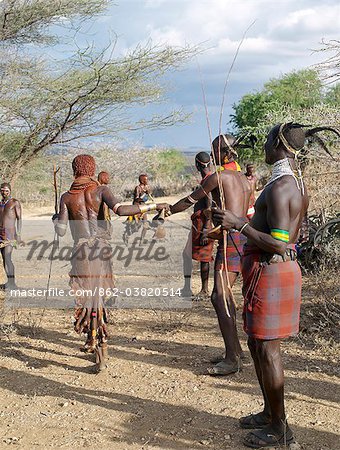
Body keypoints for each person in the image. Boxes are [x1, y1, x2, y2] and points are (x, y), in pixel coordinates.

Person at [212, 122, 319, 447]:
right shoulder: (290, 181)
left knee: (269, 350)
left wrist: (238, 225)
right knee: (258, 346)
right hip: (268, 273)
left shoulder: (283, 186)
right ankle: (270, 414)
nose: (264, 145)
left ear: (278, 144)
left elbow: (279, 244)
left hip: (272, 272)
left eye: (268, 139)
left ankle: (280, 430)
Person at [53, 155, 168, 372]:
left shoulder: (67, 197)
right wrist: (152, 206)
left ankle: (94, 342)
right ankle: (100, 347)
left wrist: (57, 218)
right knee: (98, 297)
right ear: (92, 168)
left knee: (89, 297)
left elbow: (60, 230)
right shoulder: (101, 191)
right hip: (100, 250)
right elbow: (122, 210)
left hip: (82, 251)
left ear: (74, 170)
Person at [171, 134, 251, 375]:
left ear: (224, 153)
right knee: (223, 295)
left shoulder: (218, 176)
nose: (212, 154)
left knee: (219, 296)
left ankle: (233, 357)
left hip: (229, 237)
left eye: (215, 150)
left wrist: (168, 210)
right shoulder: (244, 179)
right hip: (244, 235)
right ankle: (234, 351)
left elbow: (190, 199)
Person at [182, 152, 214, 298]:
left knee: (204, 257)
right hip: (199, 224)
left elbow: (208, 207)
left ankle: (204, 289)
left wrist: (206, 229)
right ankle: (187, 288)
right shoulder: (206, 180)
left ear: (196, 165)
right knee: (187, 254)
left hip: (204, 224)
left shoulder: (208, 181)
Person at [0, 182, 22, 289]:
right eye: (2, 190)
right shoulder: (0, 204)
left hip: (10, 235)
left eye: (6, 190)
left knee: (8, 258)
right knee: (4, 258)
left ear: (10, 191)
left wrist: (19, 234)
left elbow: (19, 219)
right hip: (0, 235)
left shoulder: (14, 203)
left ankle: (13, 283)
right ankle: (9, 282)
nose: (4, 192)